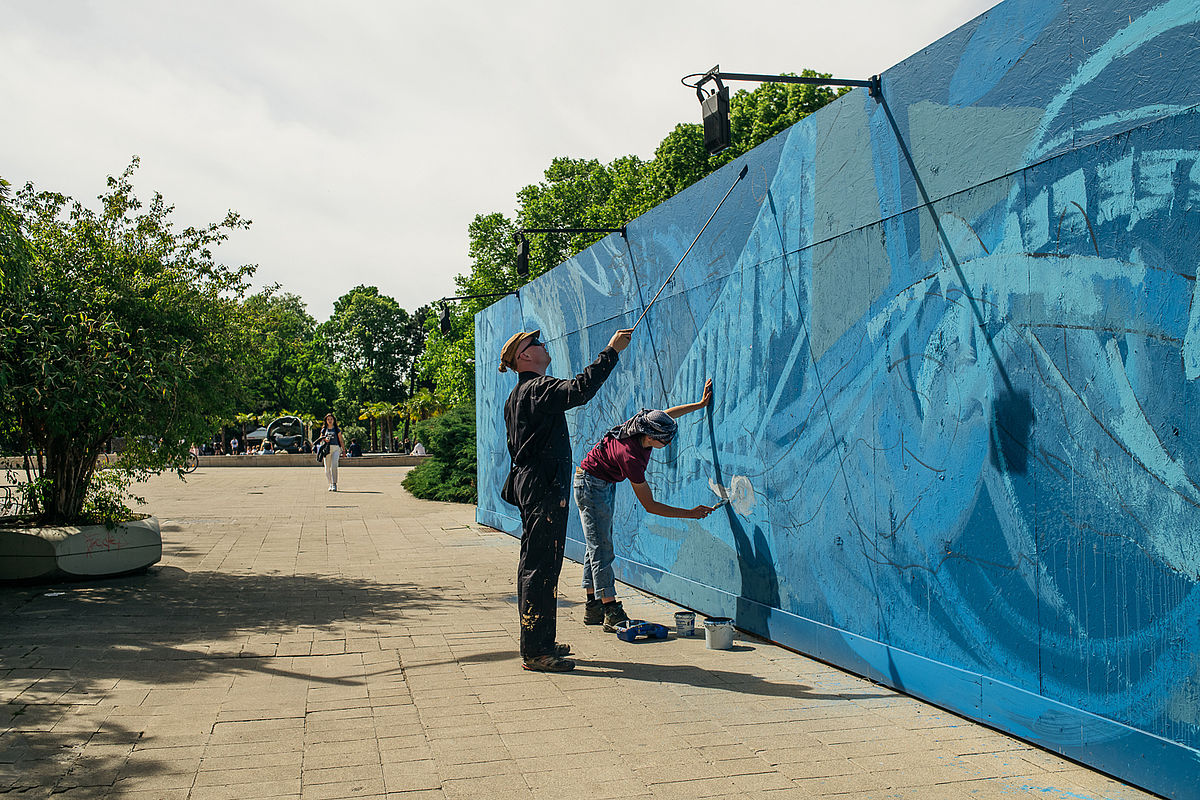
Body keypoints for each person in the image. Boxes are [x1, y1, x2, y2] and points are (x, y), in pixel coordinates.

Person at [500, 326, 633, 672]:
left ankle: (540, 639)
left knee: (538, 563)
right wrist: (612, 351)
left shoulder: (518, 395)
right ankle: (537, 651)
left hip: (533, 484)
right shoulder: (537, 388)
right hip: (543, 487)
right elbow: (580, 390)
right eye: (536, 343)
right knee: (541, 567)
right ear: (523, 356)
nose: (544, 346)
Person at [575, 380, 716, 632]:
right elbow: (650, 505)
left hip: (601, 482)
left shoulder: (643, 424)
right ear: (651, 438)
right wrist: (690, 514)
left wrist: (700, 404)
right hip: (591, 485)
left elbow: (668, 415)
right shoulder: (631, 458)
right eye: (665, 441)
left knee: (595, 541)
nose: (668, 444)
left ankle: (592, 605)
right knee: (601, 548)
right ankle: (610, 609)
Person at [318, 413, 344, 491]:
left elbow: (341, 440)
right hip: (327, 449)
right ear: (326, 420)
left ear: (333, 420)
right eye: (328, 419)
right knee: (327, 468)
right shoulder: (324, 429)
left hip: (336, 448)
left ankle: (334, 484)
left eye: (331, 419)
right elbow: (320, 438)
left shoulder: (336, 429)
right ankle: (330, 483)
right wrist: (324, 439)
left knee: (334, 466)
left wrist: (344, 450)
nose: (330, 421)